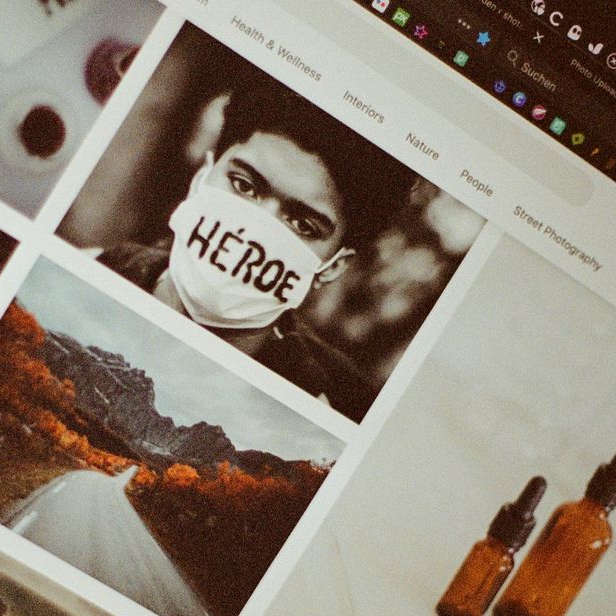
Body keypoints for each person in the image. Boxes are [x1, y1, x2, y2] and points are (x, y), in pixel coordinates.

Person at [95, 80, 419, 420]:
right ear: (201, 178)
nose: (254, 230)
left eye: (302, 225)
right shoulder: (94, 265)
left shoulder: (325, 411)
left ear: (333, 266)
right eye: (243, 185)